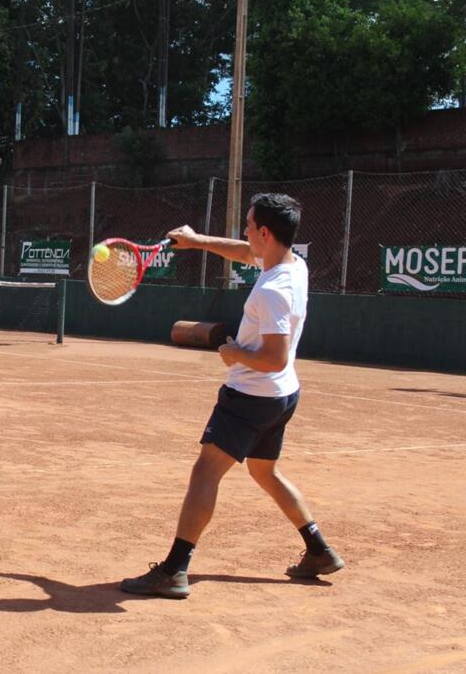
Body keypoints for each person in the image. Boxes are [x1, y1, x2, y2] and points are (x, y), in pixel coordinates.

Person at [120, 193, 343, 600]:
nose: (243, 231)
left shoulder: (271, 291)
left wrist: (235, 352)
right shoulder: (294, 265)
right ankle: (318, 549)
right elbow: (245, 253)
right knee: (264, 472)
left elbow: (273, 357)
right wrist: (198, 240)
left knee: (205, 471)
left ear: (264, 232)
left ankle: (174, 570)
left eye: (248, 224)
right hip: (282, 397)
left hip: (250, 397)